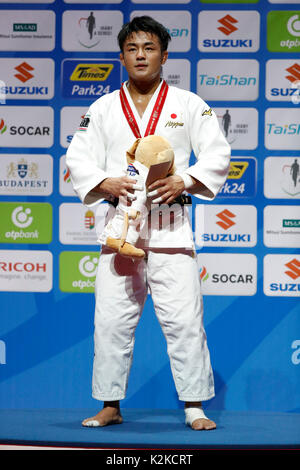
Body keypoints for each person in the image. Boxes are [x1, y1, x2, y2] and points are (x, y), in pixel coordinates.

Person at [66, 16, 231, 431]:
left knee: (184, 318)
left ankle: (194, 406)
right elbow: (78, 159)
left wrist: (185, 179)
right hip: (121, 227)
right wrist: (105, 181)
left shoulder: (189, 104)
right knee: (110, 319)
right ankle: (110, 404)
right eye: (133, 48)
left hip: (171, 224)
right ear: (121, 56)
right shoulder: (102, 108)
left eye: (150, 48)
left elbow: (217, 153)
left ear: (164, 55)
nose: (141, 55)